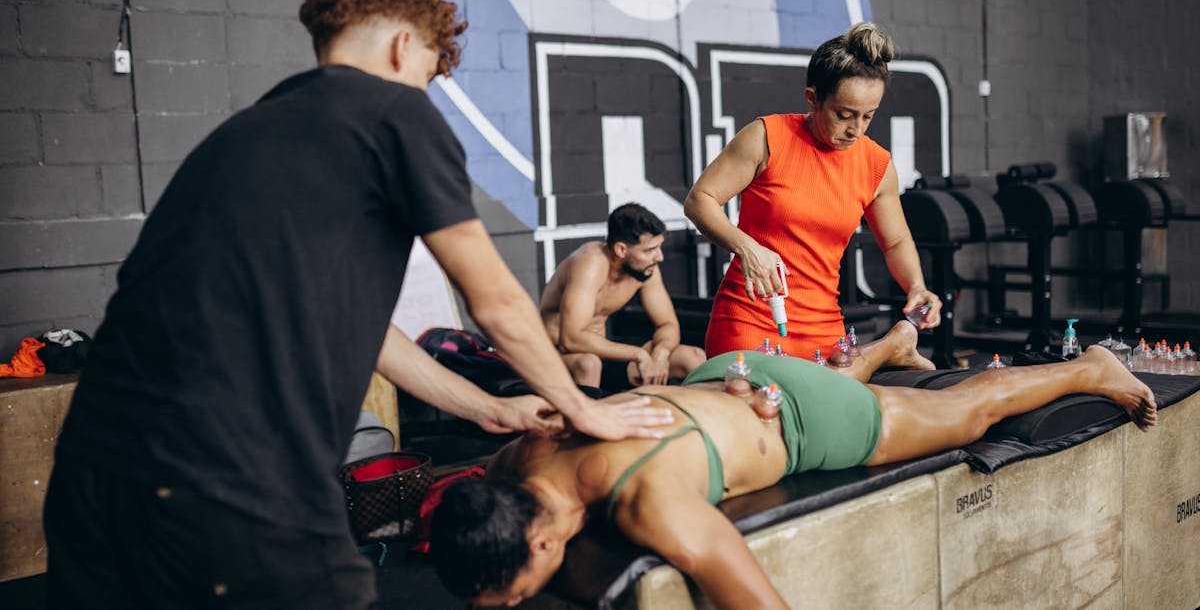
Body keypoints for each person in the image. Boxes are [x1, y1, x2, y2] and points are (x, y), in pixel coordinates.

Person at [42, 0, 670, 609]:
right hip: (222, 473)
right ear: (403, 48)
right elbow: (497, 301)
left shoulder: (246, 134)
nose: (425, 90)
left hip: (90, 474)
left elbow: (370, 334)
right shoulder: (395, 111)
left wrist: (492, 409)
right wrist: (584, 410)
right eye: (428, 71)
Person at [431, 322, 1157, 609]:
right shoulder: (520, 451)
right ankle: (881, 351)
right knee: (857, 384)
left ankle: (1086, 369)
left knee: (965, 414)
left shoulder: (648, 501)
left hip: (797, 414)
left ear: (540, 542)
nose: (517, 604)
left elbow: (758, 602)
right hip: (729, 377)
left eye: (513, 594)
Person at [684, 22, 942, 360]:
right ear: (812, 99)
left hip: (824, 328)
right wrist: (747, 248)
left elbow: (894, 242)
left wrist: (917, 286)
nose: (856, 129)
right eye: (844, 115)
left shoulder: (877, 165)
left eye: (868, 116)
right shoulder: (766, 137)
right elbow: (699, 200)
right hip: (749, 320)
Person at [540, 203, 707, 388]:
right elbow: (570, 339)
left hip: (604, 352)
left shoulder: (645, 270)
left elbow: (668, 324)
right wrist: (639, 354)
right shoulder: (590, 263)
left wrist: (661, 353)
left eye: (659, 247)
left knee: (693, 358)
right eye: (649, 250)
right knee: (589, 364)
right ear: (621, 249)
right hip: (556, 355)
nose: (659, 257)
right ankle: (589, 416)